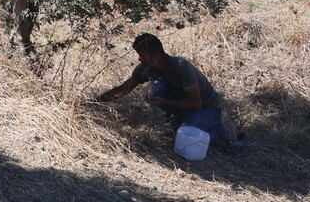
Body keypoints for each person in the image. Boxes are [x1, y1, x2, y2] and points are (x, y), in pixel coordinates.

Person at [95, 33, 244, 151]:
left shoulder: (181, 67)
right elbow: (123, 89)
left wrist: (165, 102)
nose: (140, 59)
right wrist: (94, 102)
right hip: (183, 106)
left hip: (207, 109)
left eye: (143, 55)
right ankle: (177, 122)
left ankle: (225, 130)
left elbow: (196, 103)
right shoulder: (147, 68)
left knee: (186, 140)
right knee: (157, 88)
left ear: (157, 55)